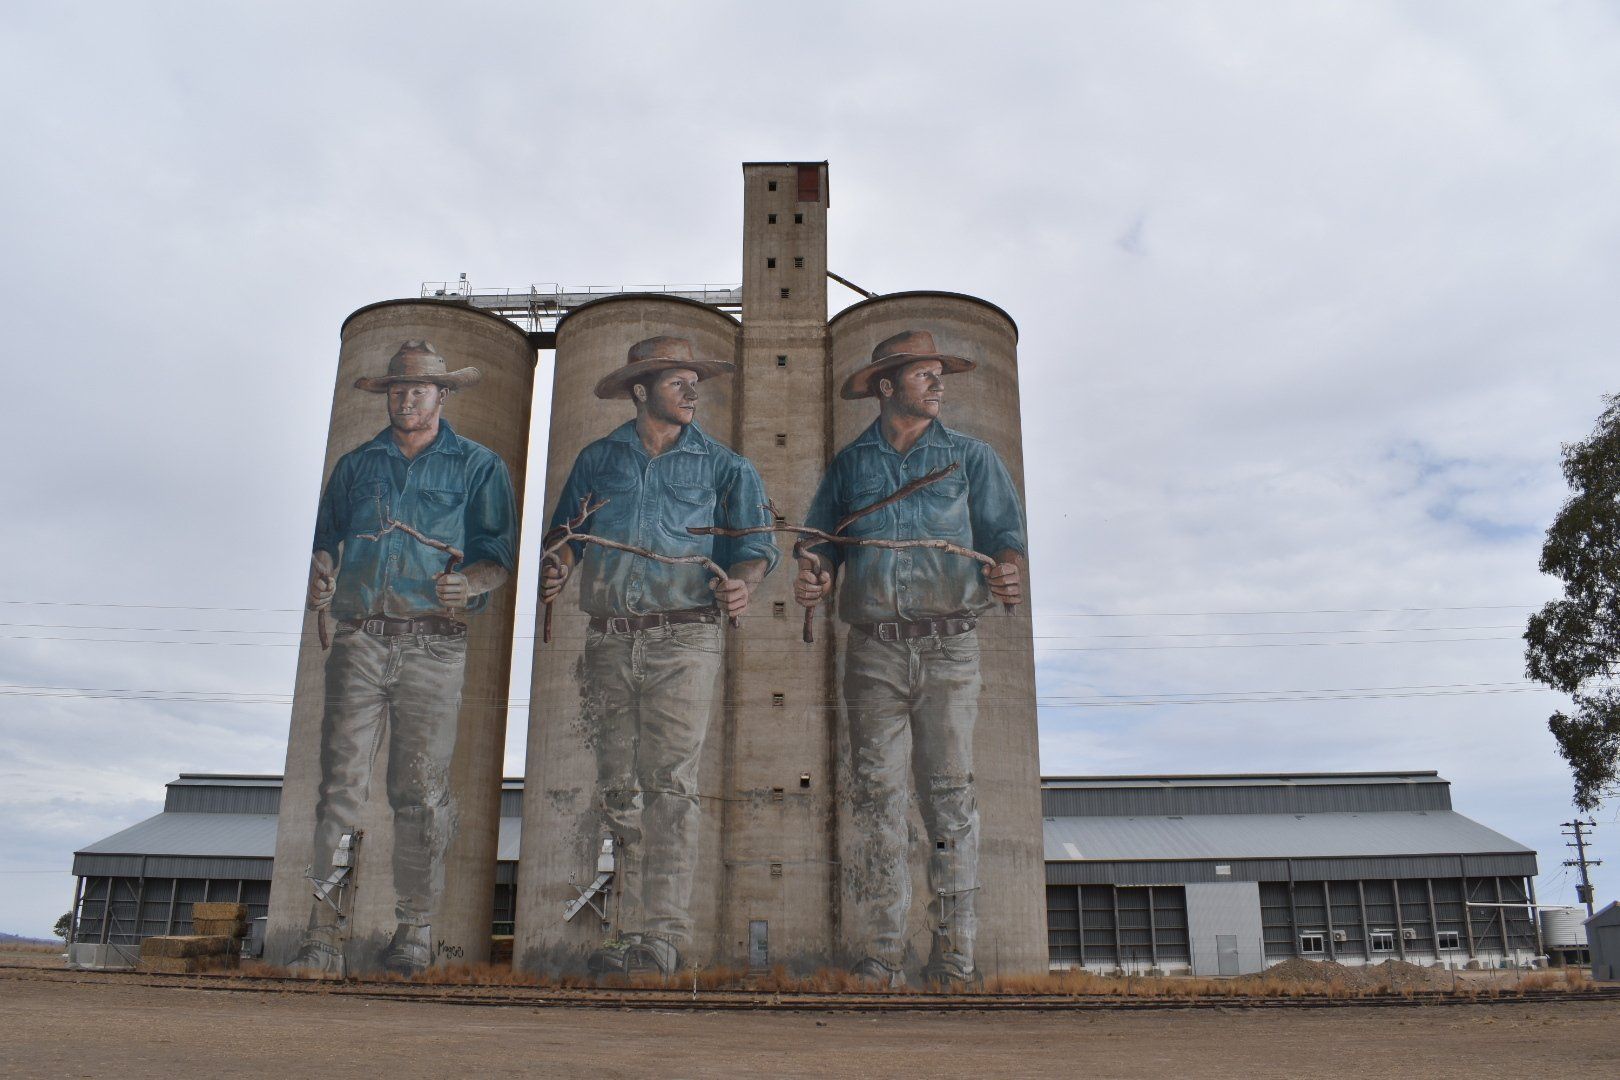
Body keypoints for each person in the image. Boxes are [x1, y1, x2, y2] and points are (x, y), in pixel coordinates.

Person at [796, 328, 1025, 987]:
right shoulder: (849, 467)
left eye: (939, 374)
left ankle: (954, 958)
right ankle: (883, 955)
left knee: (950, 799)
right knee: (878, 800)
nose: (937, 384)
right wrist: (813, 571)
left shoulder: (971, 460)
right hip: (872, 653)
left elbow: (1004, 538)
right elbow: (818, 541)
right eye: (924, 375)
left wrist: (1006, 572)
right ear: (887, 386)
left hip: (949, 647)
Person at [543, 335, 778, 976]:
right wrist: (557, 567)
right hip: (609, 637)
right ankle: (624, 933)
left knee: (670, 786)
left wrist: (743, 583)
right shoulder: (598, 460)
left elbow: (756, 547)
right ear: (642, 389)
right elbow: (568, 535)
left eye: (694, 381)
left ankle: (664, 938)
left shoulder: (728, 468)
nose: (692, 391)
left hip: (685, 636)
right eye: (678, 381)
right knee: (619, 786)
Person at [294, 340, 518, 975]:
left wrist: (470, 584)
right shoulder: (355, 466)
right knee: (338, 787)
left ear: (443, 395)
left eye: (420, 388)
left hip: (433, 644)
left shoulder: (479, 466)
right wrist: (322, 571)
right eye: (398, 388)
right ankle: (322, 931)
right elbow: (326, 542)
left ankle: (414, 931)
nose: (407, 397)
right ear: (386, 394)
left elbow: (496, 556)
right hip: (359, 639)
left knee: (418, 791)